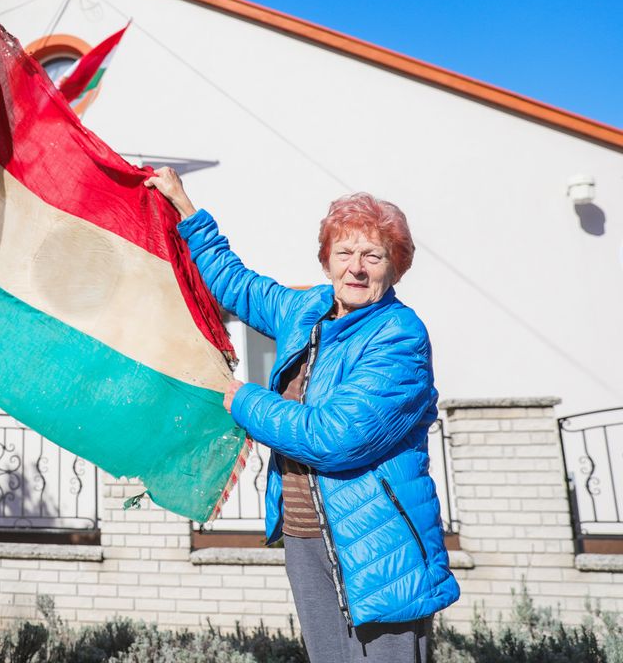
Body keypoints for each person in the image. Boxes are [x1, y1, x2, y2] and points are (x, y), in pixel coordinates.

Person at [145, 168, 459, 663]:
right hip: (305, 531)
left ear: (395, 266)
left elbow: (334, 437)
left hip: (379, 543)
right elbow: (239, 286)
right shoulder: (309, 309)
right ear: (327, 261)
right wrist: (186, 209)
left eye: (373, 256)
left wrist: (245, 401)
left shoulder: (398, 337)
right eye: (345, 253)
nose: (357, 268)